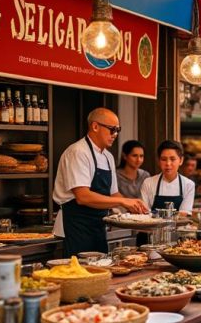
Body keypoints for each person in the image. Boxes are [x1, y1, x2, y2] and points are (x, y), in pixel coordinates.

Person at [52, 108, 148, 256]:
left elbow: (114, 193)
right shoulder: (78, 152)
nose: (115, 134)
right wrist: (124, 202)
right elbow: (83, 197)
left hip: (98, 226)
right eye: (112, 129)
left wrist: (136, 210)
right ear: (95, 126)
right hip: (75, 226)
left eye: (118, 130)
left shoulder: (108, 157)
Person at [140, 140, 196, 215]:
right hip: (153, 226)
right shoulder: (148, 183)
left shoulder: (188, 185)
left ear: (181, 160)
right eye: (163, 159)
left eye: (172, 159)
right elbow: (145, 212)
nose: (168, 163)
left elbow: (184, 214)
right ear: (158, 161)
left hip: (179, 226)